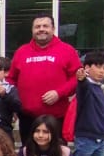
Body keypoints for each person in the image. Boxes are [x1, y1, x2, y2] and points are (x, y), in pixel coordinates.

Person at [5, 15, 82, 143]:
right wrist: (13, 104)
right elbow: (11, 80)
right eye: (37, 27)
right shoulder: (21, 52)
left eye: (45, 26)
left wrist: (59, 93)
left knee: (56, 153)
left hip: (56, 118)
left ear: (53, 29)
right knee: (28, 153)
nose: (41, 29)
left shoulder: (67, 50)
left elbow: (77, 78)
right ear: (32, 30)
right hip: (27, 118)